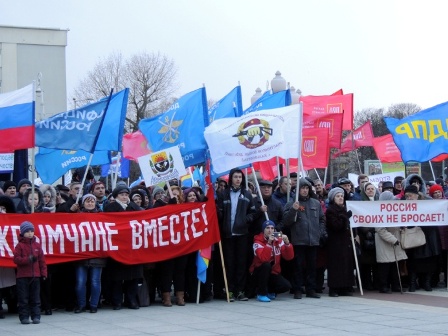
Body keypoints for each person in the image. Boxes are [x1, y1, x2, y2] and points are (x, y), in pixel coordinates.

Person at [216, 168, 256, 302]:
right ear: (231, 179)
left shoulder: (247, 194)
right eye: (235, 177)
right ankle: (230, 290)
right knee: (229, 263)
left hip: (242, 233)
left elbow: (253, 212)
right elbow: (220, 213)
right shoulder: (224, 194)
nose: (238, 179)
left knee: (241, 263)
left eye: (240, 177)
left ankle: (240, 290)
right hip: (227, 233)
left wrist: (246, 220)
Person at [283, 178, 325, 299]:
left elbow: (322, 219)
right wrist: (293, 210)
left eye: (307, 188)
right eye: (302, 188)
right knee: (298, 266)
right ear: (298, 190)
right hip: (298, 240)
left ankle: (311, 289)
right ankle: (297, 289)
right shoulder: (291, 203)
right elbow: (286, 222)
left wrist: (320, 232)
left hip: (313, 240)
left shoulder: (315, 203)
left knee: (312, 266)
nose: (305, 191)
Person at [104, 184, 143, 310]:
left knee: (132, 277)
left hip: (132, 246)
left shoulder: (134, 206)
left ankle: (131, 300)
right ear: (116, 196)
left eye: (126, 194)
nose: (125, 197)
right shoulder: (111, 207)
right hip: (117, 246)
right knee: (117, 277)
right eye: (122, 194)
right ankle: (117, 301)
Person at [403, 185, 442, 292]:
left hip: (428, 236)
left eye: (410, 196)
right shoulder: (402, 206)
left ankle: (426, 283)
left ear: (416, 195)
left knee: (429, 262)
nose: (409, 198)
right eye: (407, 196)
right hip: (413, 237)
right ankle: (412, 283)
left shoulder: (427, 203)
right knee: (413, 262)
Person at [74, 194, 106, 313]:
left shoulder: (102, 216)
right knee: (81, 282)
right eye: (88, 201)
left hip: (97, 255)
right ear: (83, 203)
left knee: (95, 281)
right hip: (81, 255)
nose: (90, 203)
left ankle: (94, 305)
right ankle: (81, 305)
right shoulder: (76, 217)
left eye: (92, 201)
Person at [249, 220, 293, 302]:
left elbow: (289, 257)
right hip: (259, 272)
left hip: (273, 272)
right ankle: (261, 293)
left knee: (286, 286)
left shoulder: (278, 240)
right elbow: (263, 259)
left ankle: (270, 291)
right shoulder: (257, 241)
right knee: (266, 265)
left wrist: (287, 243)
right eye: (267, 228)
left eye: (272, 228)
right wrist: (269, 243)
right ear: (263, 230)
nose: (270, 230)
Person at [13, 221, 47, 325]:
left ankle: (36, 316)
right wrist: (28, 259)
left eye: (32, 231)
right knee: (23, 298)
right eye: (27, 231)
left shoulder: (37, 245)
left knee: (35, 297)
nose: (30, 233)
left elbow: (42, 261)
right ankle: (24, 317)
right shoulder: (19, 246)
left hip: (35, 276)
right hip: (22, 276)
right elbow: (16, 259)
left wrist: (44, 273)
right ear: (22, 233)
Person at [325, 187, 355, 297]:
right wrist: (345, 218)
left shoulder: (345, 209)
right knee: (336, 266)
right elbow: (335, 226)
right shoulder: (330, 210)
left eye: (342, 196)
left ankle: (345, 287)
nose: (340, 198)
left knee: (346, 265)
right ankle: (334, 288)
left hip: (345, 242)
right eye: (338, 196)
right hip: (335, 243)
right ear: (333, 198)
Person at [375, 191, 408, 293]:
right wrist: (393, 239)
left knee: (395, 265)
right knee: (385, 265)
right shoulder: (378, 212)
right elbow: (380, 230)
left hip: (394, 240)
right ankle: (383, 286)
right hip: (385, 242)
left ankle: (396, 285)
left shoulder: (394, 211)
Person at [0, 196, 17, 319]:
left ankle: (12, 305)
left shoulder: (12, 223)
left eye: (4, 208)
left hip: (8, 259)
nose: (2, 211)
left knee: (9, 284)